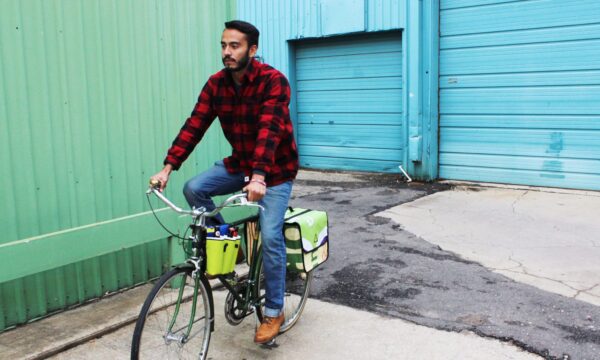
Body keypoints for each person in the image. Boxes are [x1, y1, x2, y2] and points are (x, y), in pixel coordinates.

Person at [150, 20, 298, 344]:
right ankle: (229, 242)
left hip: (274, 171)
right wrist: (168, 167)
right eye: (223, 45)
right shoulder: (216, 85)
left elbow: (269, 131)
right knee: (194, 189)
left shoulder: (274, 82)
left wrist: (260, 175)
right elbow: (195, 125)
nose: (227, 52)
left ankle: (274, 311)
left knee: (270, 236)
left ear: (252, 50)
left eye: (235, 46)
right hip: (242, 166)